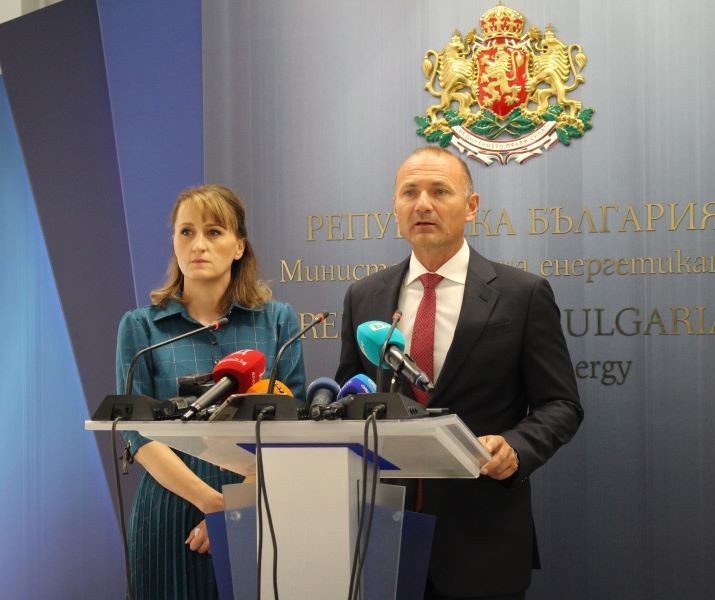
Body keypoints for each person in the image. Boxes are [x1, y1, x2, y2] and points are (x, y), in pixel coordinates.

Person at [336, 147, 582, 599]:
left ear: (471, 206)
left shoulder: (522, 294)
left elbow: (561, 404)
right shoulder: (364, 297)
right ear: (395, 208)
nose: (422, 204)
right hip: (383, 535)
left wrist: (516, 447)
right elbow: (352, 396)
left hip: (481, 538)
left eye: (439, 191)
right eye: (409, 193)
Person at [116, 184, 306, 599]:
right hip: (170, 505)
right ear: (174, 242)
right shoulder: (140, 328)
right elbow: (137, 433)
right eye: (186, 232)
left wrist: (239, 502)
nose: (198, 244)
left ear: (239, 246)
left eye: (214, 232)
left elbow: (294, 424)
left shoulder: (277, 322)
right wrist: (212, 504)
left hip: (259, 502)